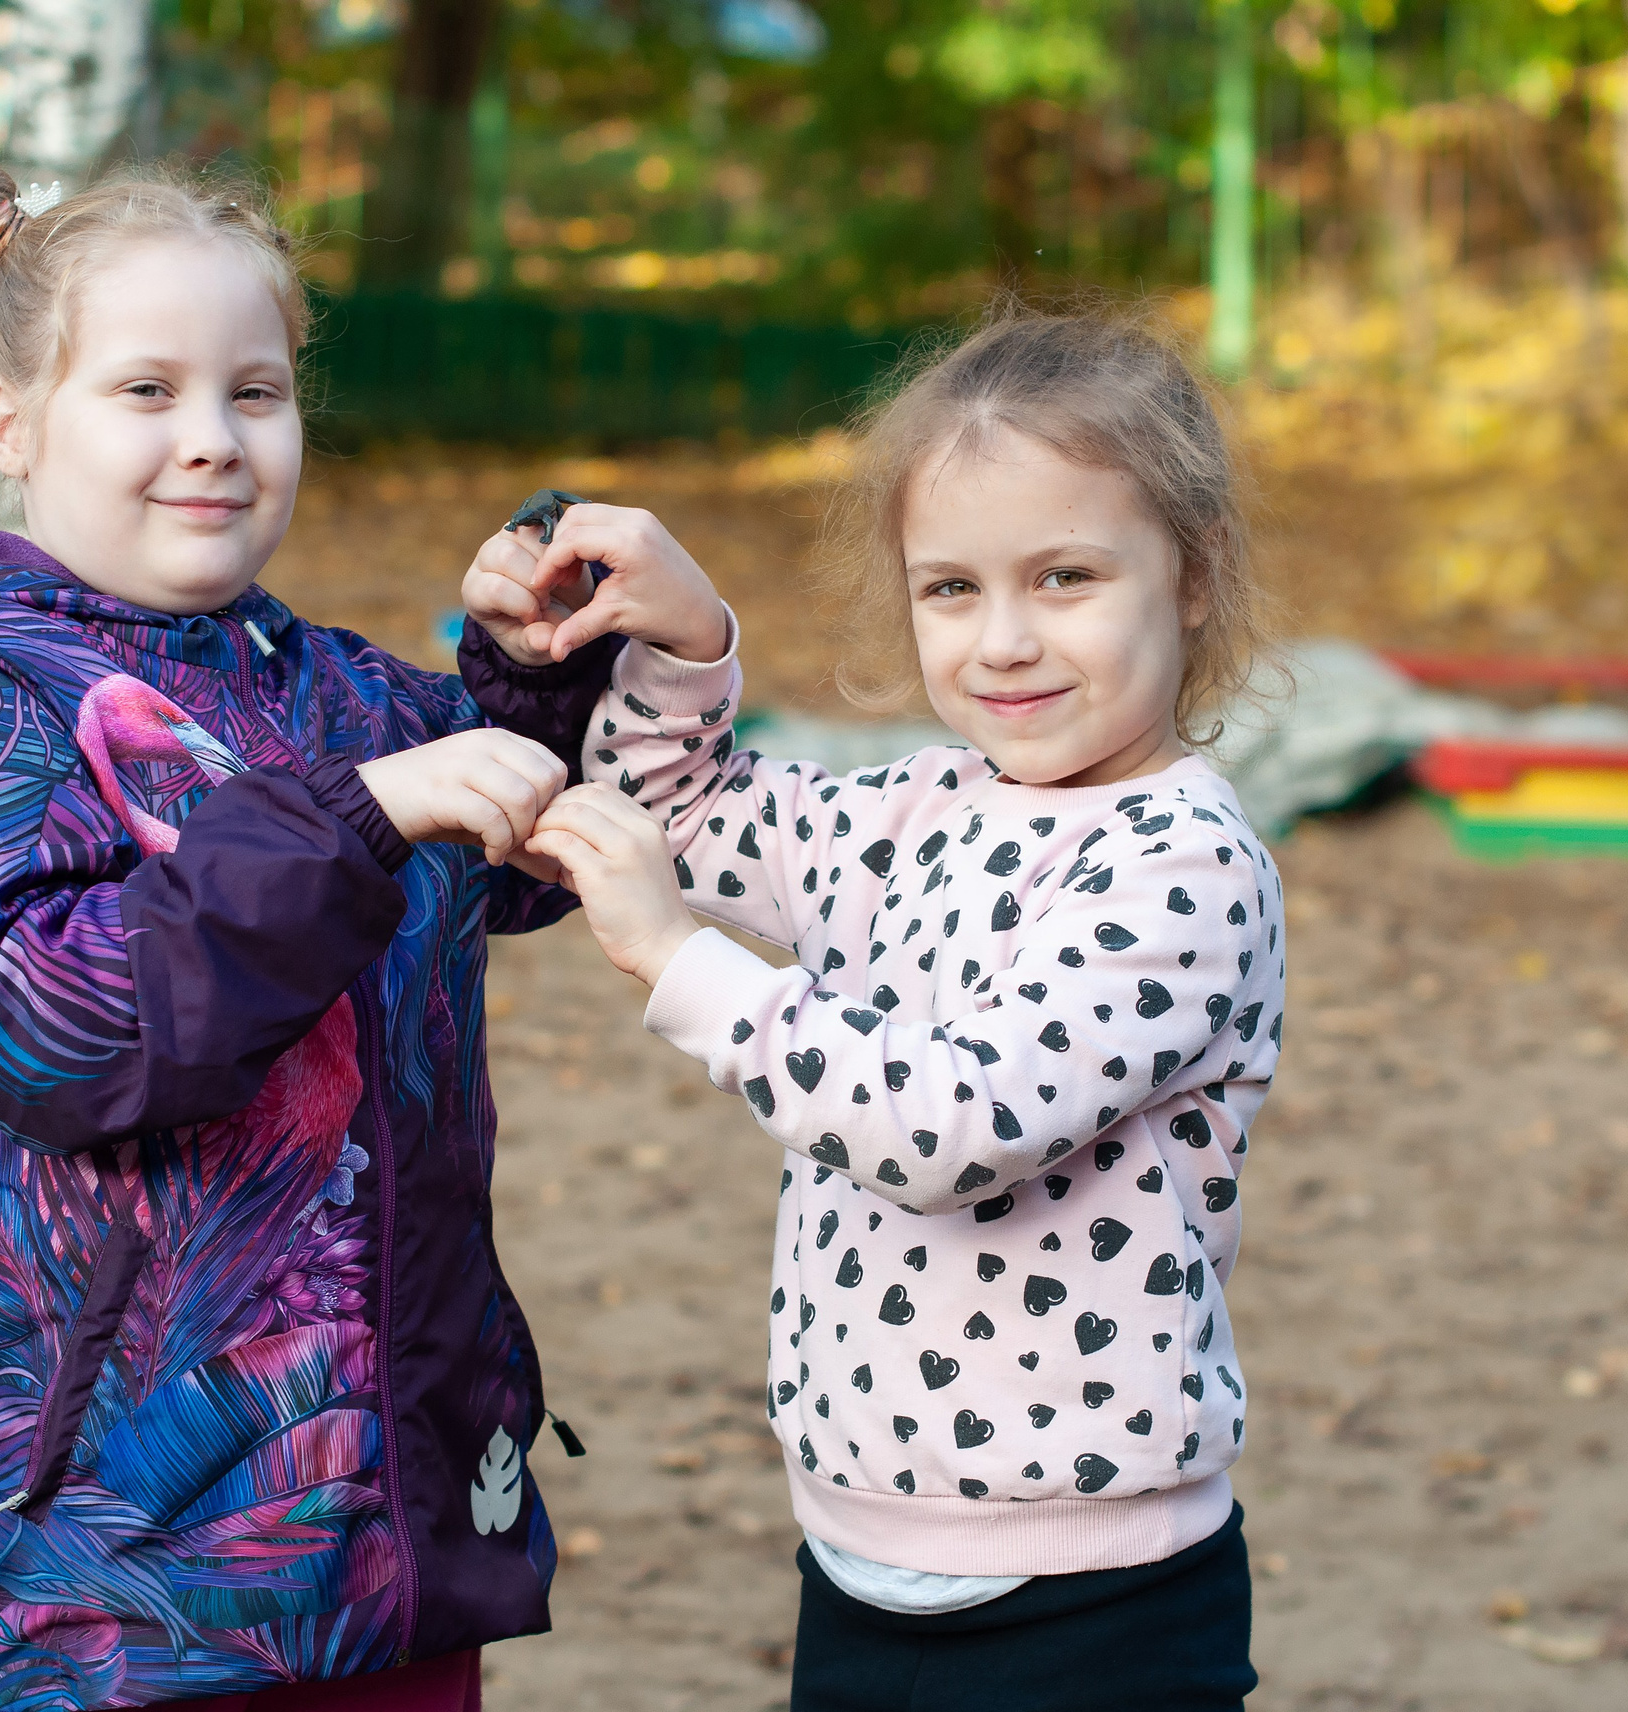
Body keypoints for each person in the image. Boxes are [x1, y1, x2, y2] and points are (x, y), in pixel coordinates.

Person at [0, 162, 621, 1712]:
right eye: (145, 389)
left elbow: (517, 866)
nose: (210, 439)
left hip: (388, 1540)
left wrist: (530, 684)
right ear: (12, 419)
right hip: (117, 1586)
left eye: (256, 390)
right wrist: (363, 818)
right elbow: (66, 1032)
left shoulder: (330, 691)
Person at [469, 308, 1284, 1711]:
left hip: (1096, 1604)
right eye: (951, 589)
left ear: (1192, 575)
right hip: (854, 1561)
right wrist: (681, 635)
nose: (1005, 641)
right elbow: (689, 807)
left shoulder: (1187, 869)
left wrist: (687, 969)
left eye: (1067, 577)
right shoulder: (916, 809)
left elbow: (950, 1124)